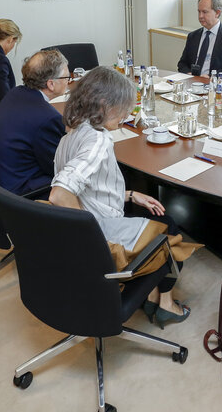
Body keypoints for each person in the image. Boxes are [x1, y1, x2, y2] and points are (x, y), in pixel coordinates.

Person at [49, 67, 202, 328]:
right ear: (105, 104)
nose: (128, 115)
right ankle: (164, 305)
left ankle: (153, 295)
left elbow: (89, 187)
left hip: (81, 230)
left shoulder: (72, 134)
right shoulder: (98, 141)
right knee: (171, 232)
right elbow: (59, 194)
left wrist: (129, 195)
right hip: (100, 237)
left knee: (155, 213)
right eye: (124, 108)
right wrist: (93, 239)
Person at [0, 49, 69, 197]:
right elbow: (58, 166)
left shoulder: (16, 93)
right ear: (51, 84)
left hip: (0, 178)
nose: (69, 81)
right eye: (66, 76)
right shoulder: (47, 118)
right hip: (18, 192)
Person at [177, 0, 222, 76]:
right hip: (192, 83)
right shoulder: (193, 36)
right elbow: (182, 64)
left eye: (204, 12)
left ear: (217, 13)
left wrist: (212, 77)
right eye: (199, 11)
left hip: (214, 84)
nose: (200, 16)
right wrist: (189, 74)